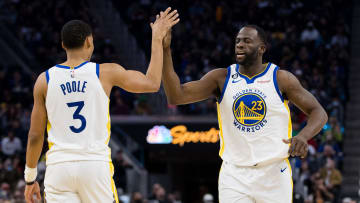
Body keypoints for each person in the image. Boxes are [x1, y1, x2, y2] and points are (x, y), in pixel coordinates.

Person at [24, 8, 179, 203]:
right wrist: (156, 38)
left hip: (58, 167)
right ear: (89, 41)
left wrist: (30, 179)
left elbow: (35, 136)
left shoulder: (44, 80)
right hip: (94, 165)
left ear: (63, 45)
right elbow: (152, 83)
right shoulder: (105, 72)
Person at [161, 25, 328, 202]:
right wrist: (165, 50)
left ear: (262, 48)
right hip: (234, 175)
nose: (240, 45)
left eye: (247, 41)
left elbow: (319, 112)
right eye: (238, 41)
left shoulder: (280, 78)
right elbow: (175, 96)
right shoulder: (221, 78)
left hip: (274, 172)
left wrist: (303, 136)